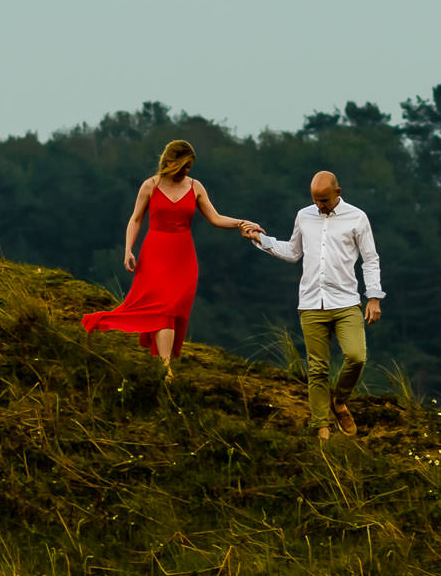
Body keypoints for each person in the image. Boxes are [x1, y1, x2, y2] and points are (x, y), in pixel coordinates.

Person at [81, 139, 261, 376]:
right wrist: (128, 249)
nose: (187, 171)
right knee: (163, 308)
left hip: (184, 257)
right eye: (183, 166)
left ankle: (165, 365)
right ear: (169, 161)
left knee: (174, 309)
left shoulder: (196, 187)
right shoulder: (150, 185)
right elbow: (135, 219)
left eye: (189, 167)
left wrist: (241, 223)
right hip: (155, 252)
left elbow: (215, 218)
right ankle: (165, 370)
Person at [248, 170, 384, 439]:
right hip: (311, 303)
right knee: (317, 368)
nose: (319, 205)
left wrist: (374, 297)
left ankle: (340, 401)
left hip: (346, 301)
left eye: (324, 200)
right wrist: (261, 240)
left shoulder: (357, 217)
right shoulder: (304, 216)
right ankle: (321, 425)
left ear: (338, 192)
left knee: (356, 356)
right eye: (315, 200)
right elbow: (294, 252)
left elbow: (370, 259)